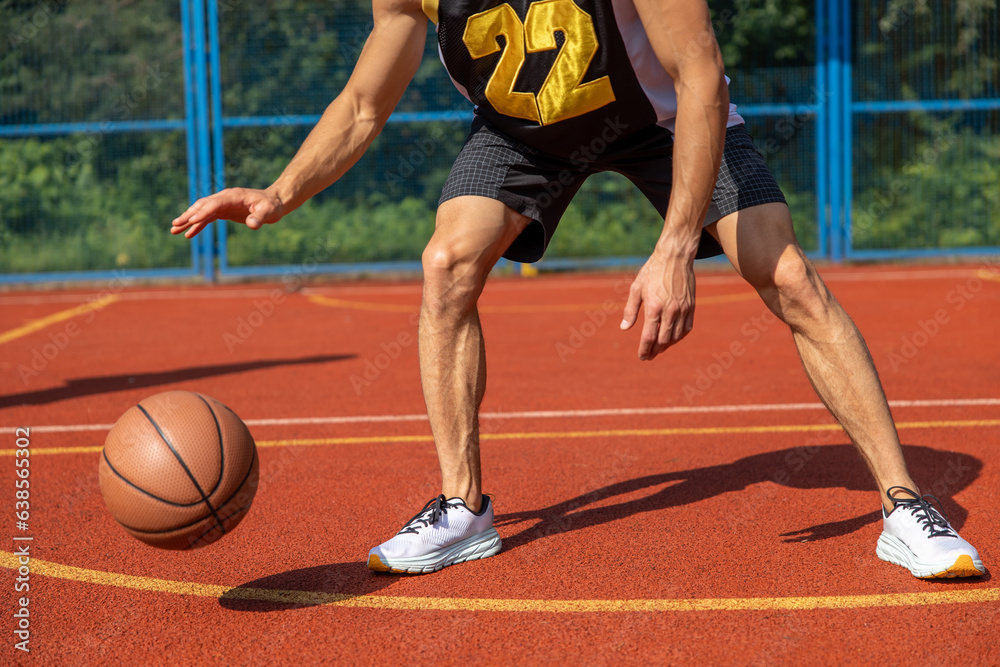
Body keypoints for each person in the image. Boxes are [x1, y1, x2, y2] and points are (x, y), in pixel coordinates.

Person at [172, 0, 985, 579]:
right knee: (446, 262)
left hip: (668, 118)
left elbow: (700, 75)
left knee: (788, 275)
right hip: (525, 131)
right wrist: (279, 192)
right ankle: (463, 510)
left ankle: (906, 507)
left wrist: (674, 245)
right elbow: (360, 106)